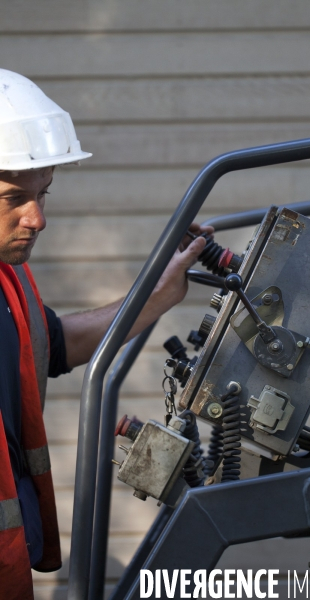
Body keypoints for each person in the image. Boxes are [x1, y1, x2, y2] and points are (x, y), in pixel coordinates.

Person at [0, 68, 210, 599]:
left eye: (43, 194)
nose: (37, 219)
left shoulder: (8, 280)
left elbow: (53, 345)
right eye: (12, 199)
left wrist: (160, 292)